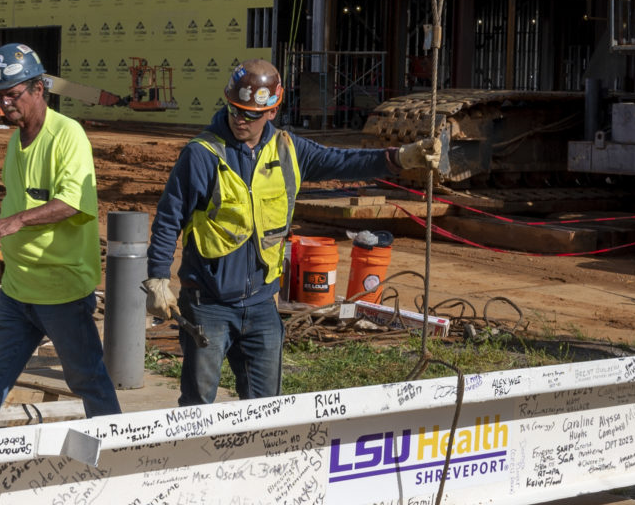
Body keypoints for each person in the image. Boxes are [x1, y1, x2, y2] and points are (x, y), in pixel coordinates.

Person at [144, 59, 446, 405]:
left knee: (267, 408)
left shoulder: (288, 150)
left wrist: (401, 157)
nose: (240, 119)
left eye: (250, 114)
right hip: (209, 304)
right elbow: (170, 217)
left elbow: (344, 162)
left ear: (271, 111)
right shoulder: (202, 155)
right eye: (234, 109)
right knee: (197, 407)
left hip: (261, 305)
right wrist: (157, 278)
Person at [0, 44, 122, 433]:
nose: (5, 103)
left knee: (87, 380)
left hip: (61, 291)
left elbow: (73, 202)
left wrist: (16, 222)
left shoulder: (66, 135)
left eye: (13, 94)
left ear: (39, 88)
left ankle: (115, 450)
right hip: (18, 289)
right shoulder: (14, 141)